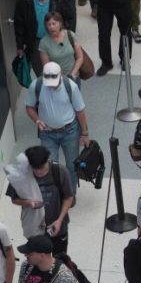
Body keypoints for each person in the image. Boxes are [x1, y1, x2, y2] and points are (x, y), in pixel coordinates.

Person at [24, 60, 90, 192]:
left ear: (60, 75)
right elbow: (29, 107)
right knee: (49, 166)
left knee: (72, 165)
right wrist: (37, 120)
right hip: (47, 133)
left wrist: (85, 133)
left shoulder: (71, 86)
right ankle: (56, 195)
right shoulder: (36, 85)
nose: (51, 86)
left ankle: (70, 194)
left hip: (70, 131)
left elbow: (80, 111)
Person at [14, 0, 73, 78]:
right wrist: (19, 45)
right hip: (36, 42)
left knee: (60, 69)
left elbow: (69, 17)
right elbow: (19, 25)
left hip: (55, 39)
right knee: (42, 73)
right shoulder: (25, 1)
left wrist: (66, 35)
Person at [38, 13, 84, 84]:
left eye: (54, 23)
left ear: (60, 23)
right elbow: (46, 66)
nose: (51, 27)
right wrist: (59, 78)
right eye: (48, 24)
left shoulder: (70, 35)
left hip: (74, 77)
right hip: (56, 81)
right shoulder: (43, 43)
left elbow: (80, 57)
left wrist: (73, 74)